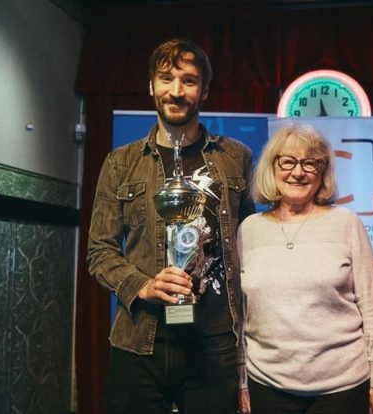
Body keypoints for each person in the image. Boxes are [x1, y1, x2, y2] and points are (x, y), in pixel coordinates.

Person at [87, 37, 255, 414]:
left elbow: (250, 246)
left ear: (205, 90)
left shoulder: (235, 157)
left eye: (189, 80)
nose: (176, 91)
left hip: (214, 344)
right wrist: (143, 285)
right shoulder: (120, 163)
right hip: (139, 342)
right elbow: (99, 251)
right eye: (166, 78)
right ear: (151, 85)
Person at [236, 124, 373, 414]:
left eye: (310, 163)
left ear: (323, 171)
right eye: (288, 161)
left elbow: (370, 306)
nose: (298, 172)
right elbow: (240, 312)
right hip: (267, 385)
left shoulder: (346, 223)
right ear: (272, 167)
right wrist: (242, 379)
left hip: (342, 387)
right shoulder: (249, 229)